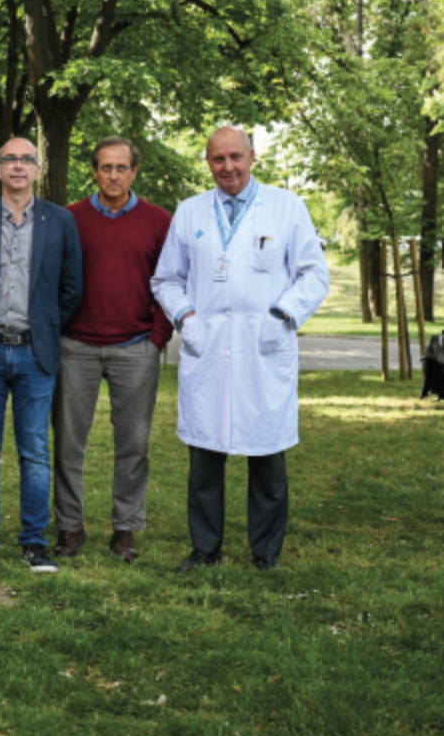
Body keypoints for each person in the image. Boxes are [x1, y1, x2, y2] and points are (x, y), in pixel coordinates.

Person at [152, 125, 329, 571]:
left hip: (263, 346)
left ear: (252, 157)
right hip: (208, 347)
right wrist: (187, 317)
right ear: (208, 163)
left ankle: (265, 552)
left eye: (235, 157)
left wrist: (283, 314)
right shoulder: (190, 211)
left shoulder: (286, 207)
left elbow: (313, 274)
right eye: (218, 159)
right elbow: (166, 279)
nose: (227, 166)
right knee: (204, 457)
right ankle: (204, 549)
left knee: (267, 454)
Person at [0, 138, 82, 574]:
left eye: (26, 159)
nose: (18, 165)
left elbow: (71, 287)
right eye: (9, 159)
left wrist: (46, 327)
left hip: (35, 352)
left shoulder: (61, 221)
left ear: (37, 169)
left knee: (35, 452)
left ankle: (34, 543)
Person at [52, 138, 172, 562]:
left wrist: (157, 337)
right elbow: (53, 278)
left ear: (134, 172)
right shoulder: (69, 218)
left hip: (136, 346)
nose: (114, 175)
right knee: (68, 443)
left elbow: (171, 280)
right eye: (106, 167)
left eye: (122, 167)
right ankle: (70, 527)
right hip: (76, 346)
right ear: (95, 171)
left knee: (133, 444)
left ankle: (125, 529)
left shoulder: (159, 221)